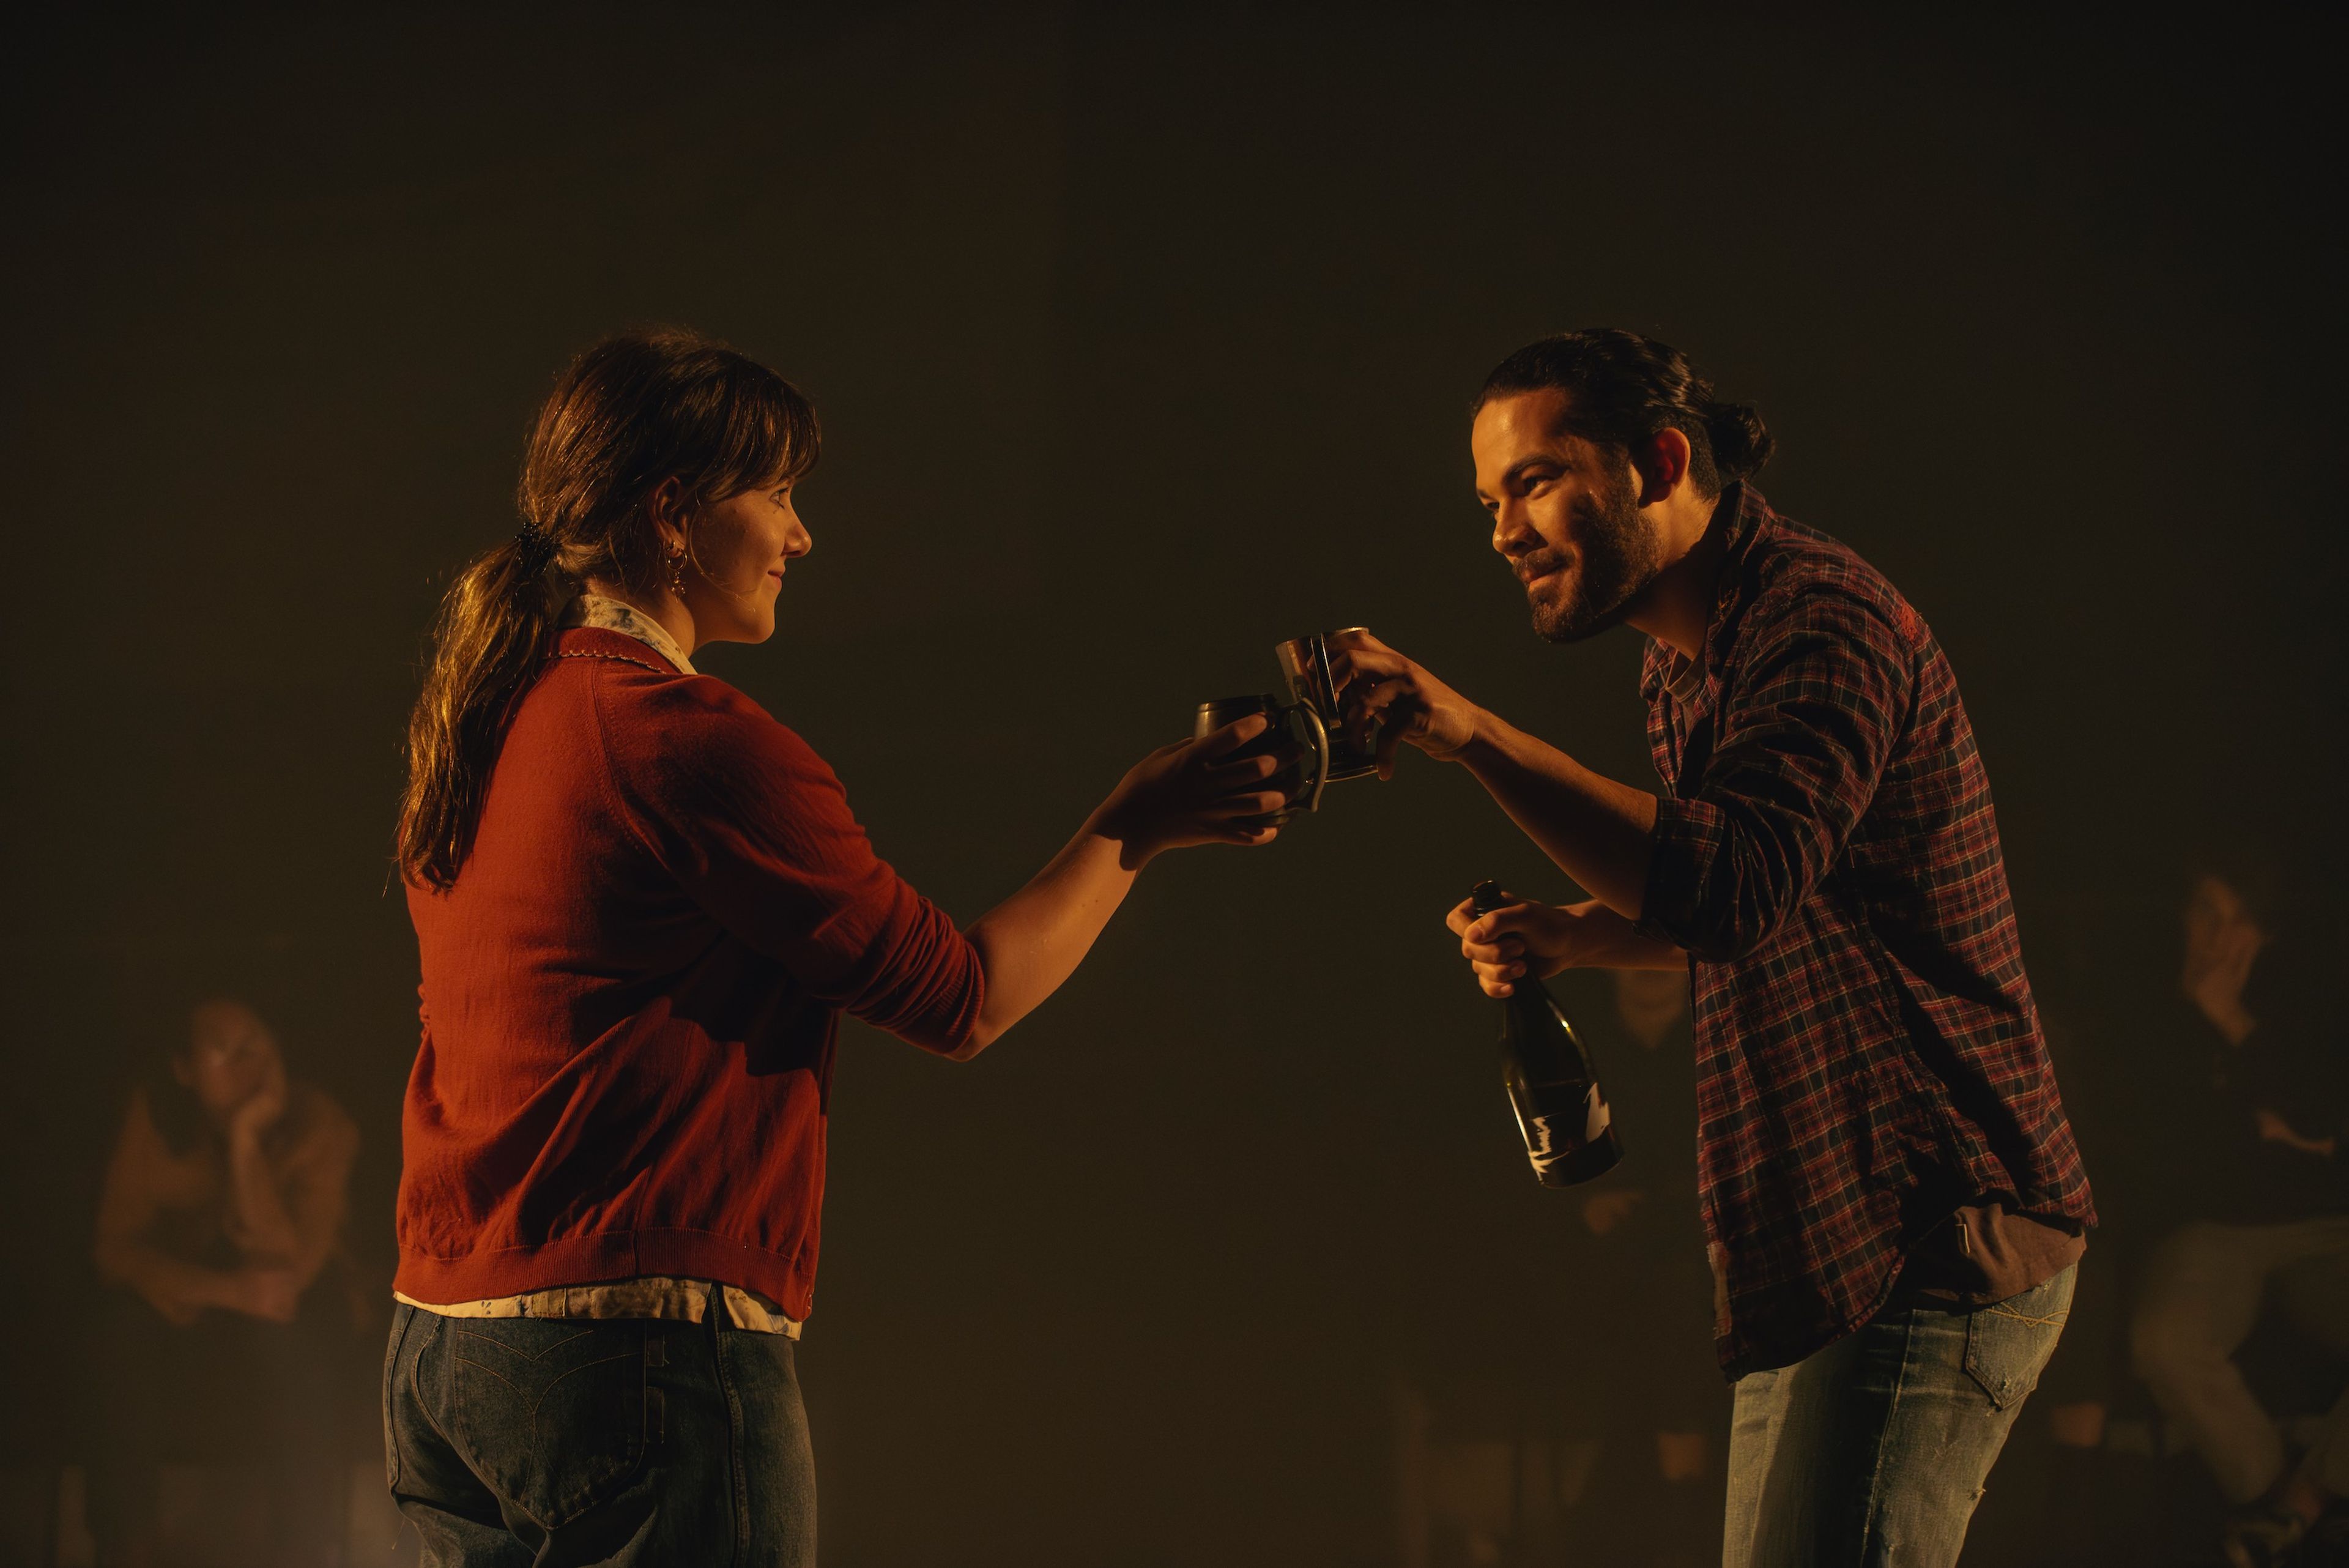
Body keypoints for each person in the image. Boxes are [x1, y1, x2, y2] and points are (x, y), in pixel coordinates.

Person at [383, 329, 1287, 1564]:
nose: (802, 537)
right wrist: (1139, 823)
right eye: (781, 495)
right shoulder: (686, 739)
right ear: (673, 511)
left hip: (442, 1345)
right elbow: (965, 999)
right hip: (636, 1351)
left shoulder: (485, 714)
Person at [1333, 329, 2095, 1567]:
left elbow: (1731, 883)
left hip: (1931, 1225)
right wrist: (1584, 937)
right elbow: (1767, 901)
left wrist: (1467, 731)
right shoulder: (1685, 667)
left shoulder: (1820, 622)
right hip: (1823, 1248)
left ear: (1659, 460)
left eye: (1532, 482)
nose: (1503, 532)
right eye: (1488, 501)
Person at [2125, 856, 2349, 1567]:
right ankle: (2274, 1501)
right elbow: (2169, 1148)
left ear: (2266, 932)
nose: (2219, 937)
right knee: (2164, 1338)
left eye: (2237, 919)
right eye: (2206, 914)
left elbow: (2322, 1115)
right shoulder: (2152, 1010)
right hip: (2214, 1230)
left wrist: (2234, 1022)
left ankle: (2307, 1498)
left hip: (2327, 1226)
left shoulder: (2309, 996)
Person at [91, 997, 362, 1567]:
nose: (244, 1064)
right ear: (184, 1068)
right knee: (117, 1335)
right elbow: (115, 1251)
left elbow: (288, 1275)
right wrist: (228, 1291)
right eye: (221, 1050)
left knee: (293, 1344)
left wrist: (245, 1139)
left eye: (254, 1047)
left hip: (292, 1321)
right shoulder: (156, 1118)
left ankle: (305, 1551)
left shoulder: (321, 1125)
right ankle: (126, 1548)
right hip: (193, 1317)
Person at [1565, 967, 1724, 1567]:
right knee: (1669, 1291)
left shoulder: (1716, 1035)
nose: (1649, 970)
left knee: (1685, 1284)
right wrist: (1589, 1205)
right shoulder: (1584, 1044)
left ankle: (1679, 1483)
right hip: (1622, 1256)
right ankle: (1677, 1484)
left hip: (1699, 1245)